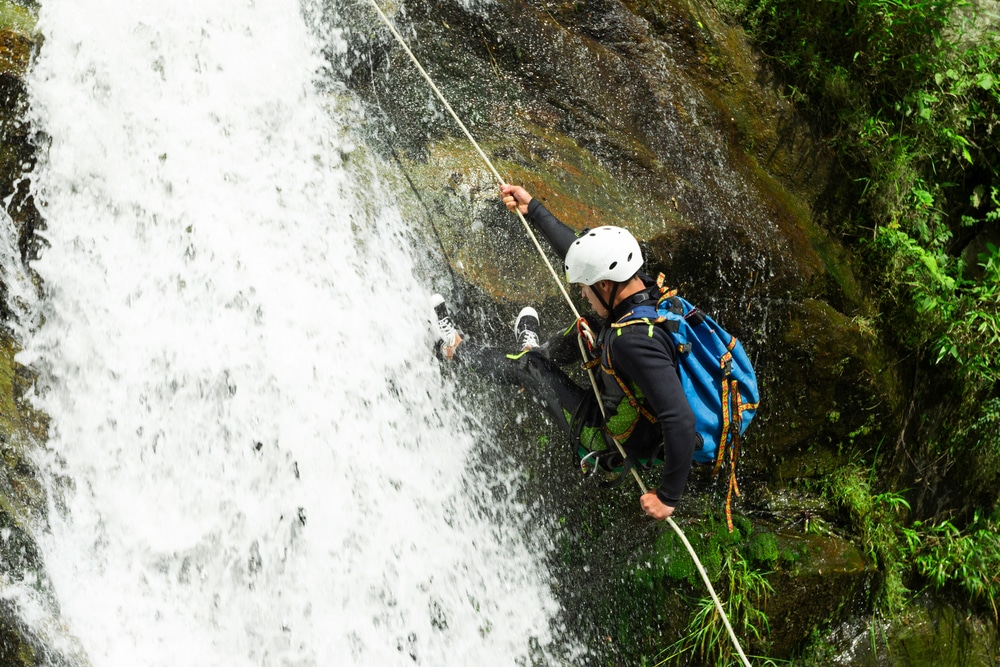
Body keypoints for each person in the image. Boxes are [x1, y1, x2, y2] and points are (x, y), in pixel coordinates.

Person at [431, 184, 696, 520]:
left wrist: (668, 496)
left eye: (585, 287)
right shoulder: (641, 290)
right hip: (636, 413)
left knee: (531, 368)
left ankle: (454, 349)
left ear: (604, 285)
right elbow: (584, 255)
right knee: (588, 327)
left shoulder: (635, 342)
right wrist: (534, 210)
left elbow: (680, 419)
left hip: (606, 437)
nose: (582, 293)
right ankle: (536, 348)